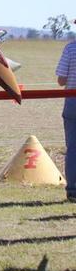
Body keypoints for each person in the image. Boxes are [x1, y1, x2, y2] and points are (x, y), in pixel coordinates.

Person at [56, 35, 76, 203]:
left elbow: (61, 80)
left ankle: (73, 190)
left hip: (72, 102)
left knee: (73, 148)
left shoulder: (70, 49)